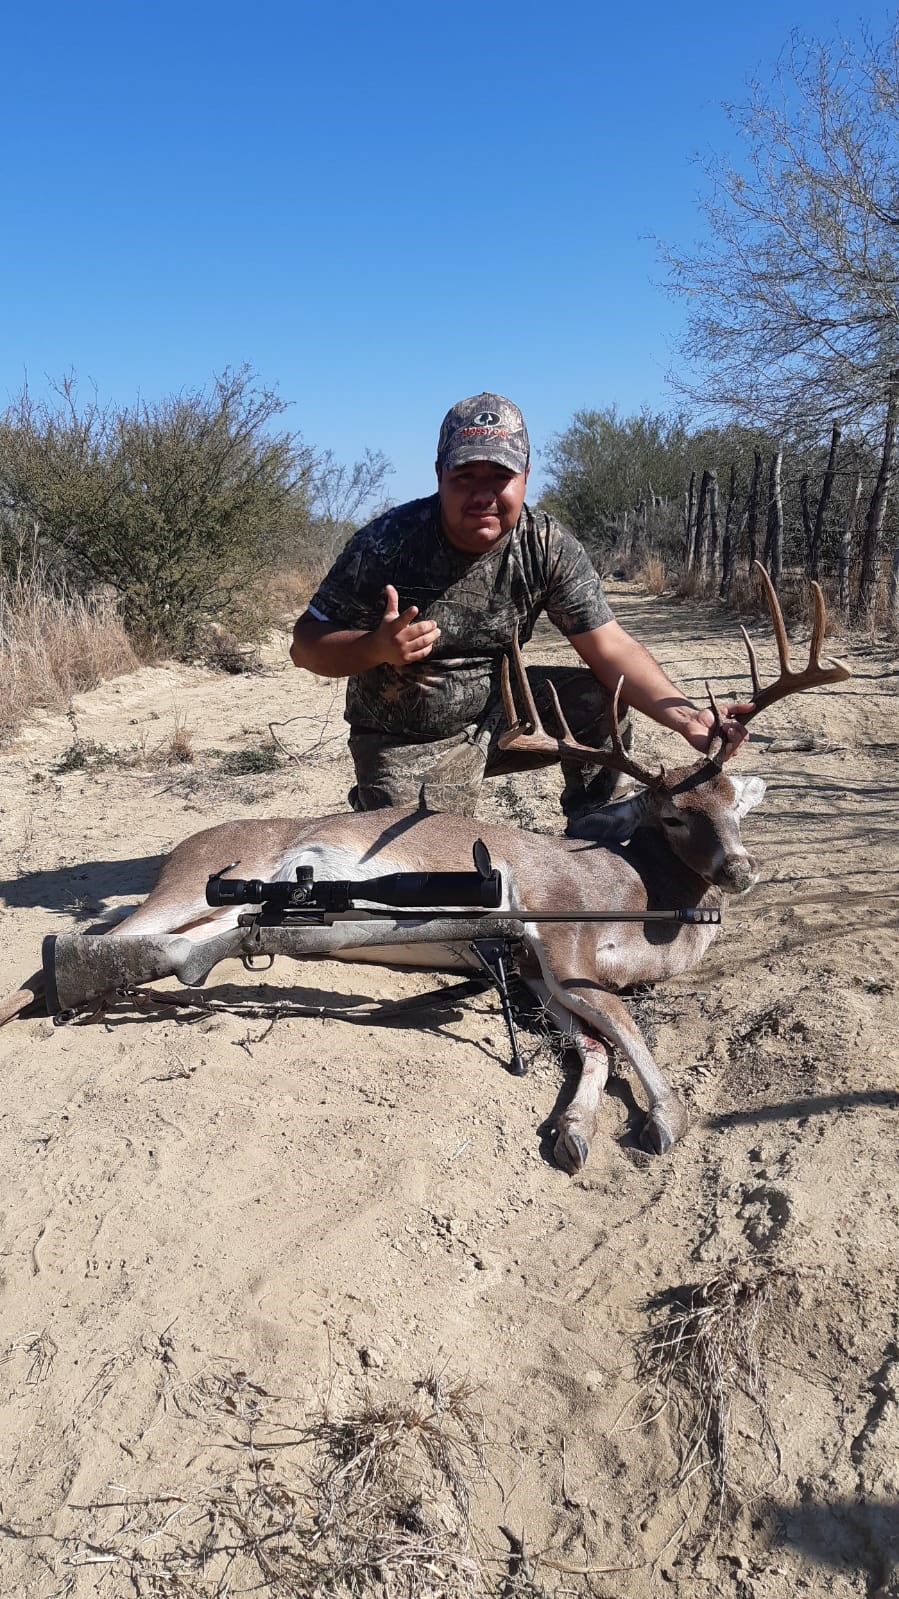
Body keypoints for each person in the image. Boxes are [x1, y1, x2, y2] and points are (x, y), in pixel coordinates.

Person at [290, 393, 747, 820]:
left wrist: (687, 717)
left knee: (600, 697)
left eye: (500, 477)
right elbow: (306, 646)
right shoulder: (385, 543)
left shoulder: (545, 544)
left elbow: (610, 648)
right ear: (439, 475)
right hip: (407, 740)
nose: (483, 495)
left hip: (505, 715)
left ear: (526, 475)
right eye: (465, 477)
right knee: (430, 882)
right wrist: (375, 648)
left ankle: (597, 827)